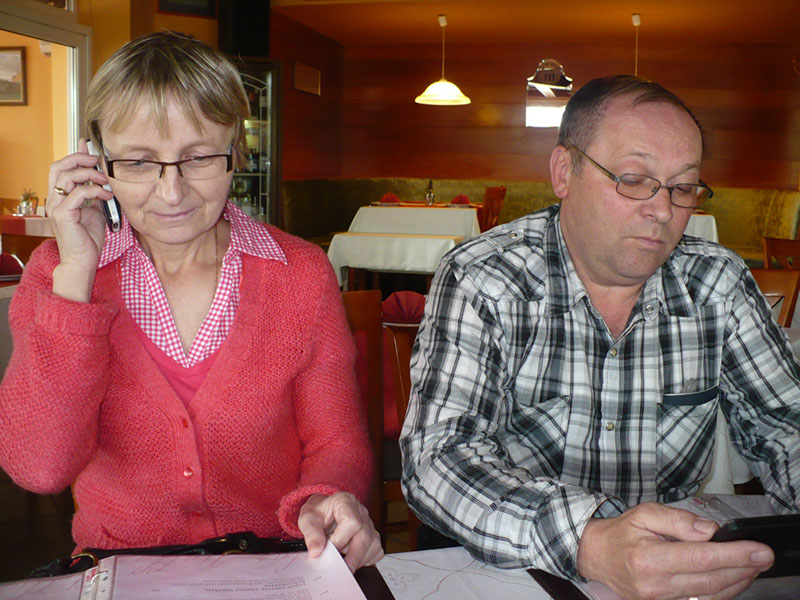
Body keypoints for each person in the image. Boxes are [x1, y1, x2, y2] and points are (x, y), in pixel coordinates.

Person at [401, 75, 800, 599]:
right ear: (564, 172)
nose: (663, 211)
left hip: (672, 576)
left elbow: (786, 424)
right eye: (634, 179)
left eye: (683, 188)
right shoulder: (486, 279)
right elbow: (438, 458)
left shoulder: (716, 283)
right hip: (514, 574)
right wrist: (589, 542)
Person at [0, 31, 382, 572]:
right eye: (138, 162)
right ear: (96, 160)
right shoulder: (58, 275)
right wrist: (77, 276)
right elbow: (39, 468)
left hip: (270, 565)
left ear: (236, 151)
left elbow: (336, 439)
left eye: (199, 157)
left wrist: (326, 497)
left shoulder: (299, 273)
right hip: (120, 568)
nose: (172, 192)